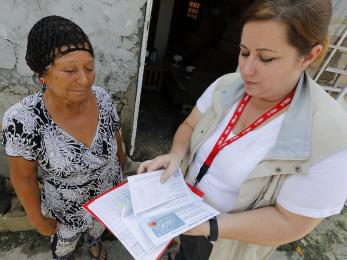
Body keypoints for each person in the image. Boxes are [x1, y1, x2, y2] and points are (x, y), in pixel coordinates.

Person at [138, 0, 347, 259]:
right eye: (244, 51)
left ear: (309, 56)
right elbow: (190, 125)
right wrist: (176, 155)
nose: (246, 70)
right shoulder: (227, 85)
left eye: (266, 58)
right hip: (185, 213)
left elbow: (292, 223)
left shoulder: (330, 135)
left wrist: (209, 226)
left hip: (228, 244)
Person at [1, 15, 126, 260]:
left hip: (106, 195)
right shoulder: (24, 120)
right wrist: (38, 220)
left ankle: (93, 244)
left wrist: (120, 172)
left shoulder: (102, 97)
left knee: (96, 230)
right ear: (42, 74)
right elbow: (23, 178)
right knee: (64, 243)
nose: (85, 79)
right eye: (70, 70)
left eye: (89, 68)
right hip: (65, 210)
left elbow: (115, 137)